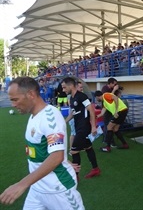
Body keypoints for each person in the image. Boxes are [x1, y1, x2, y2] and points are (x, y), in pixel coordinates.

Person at [0, 76, 85, 209]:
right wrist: (65, 160)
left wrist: (22, 184)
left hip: (58, 189)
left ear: (31, 94)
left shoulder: (51, 117)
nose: (13, 104)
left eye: (15, 99)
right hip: (37, 188)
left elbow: (56, 156)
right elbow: (50, 150)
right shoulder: (34, 116)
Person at [62, 77, 101, 180]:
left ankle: (75, 176)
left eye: (64, 87)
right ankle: (95, 169)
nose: (63, 90)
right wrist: (64, 122)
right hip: (78, 126)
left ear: (71, 86)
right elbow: (73, 112)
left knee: (74, 151)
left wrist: (93, 126)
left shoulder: (82, 96)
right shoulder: (72, 98)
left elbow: (91, 110)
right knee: (88, 147)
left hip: (83, 128)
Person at [101, 77, 120, 147]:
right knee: (107, 125)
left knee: (110, 125)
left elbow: (117, 97)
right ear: (111, 83)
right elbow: (108, 97)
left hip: (112, 110)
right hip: (106, 109)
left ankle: (106, 140)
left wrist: (117, 91)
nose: (115, 85)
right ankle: (109, 141)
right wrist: (114, 90)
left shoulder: (113, 89)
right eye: (114, 84)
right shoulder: (105, 89)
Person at [68, 81, 84, 149]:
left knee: (78, 133)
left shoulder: (79, 95)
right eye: (80, 87)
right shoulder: (71, 96)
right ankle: (71, 148)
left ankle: (77, 146)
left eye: (82, 87)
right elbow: (73, 108)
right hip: (73, 118)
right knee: (73, 133)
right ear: (76, 87)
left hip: (78, 118)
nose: (82, 89)